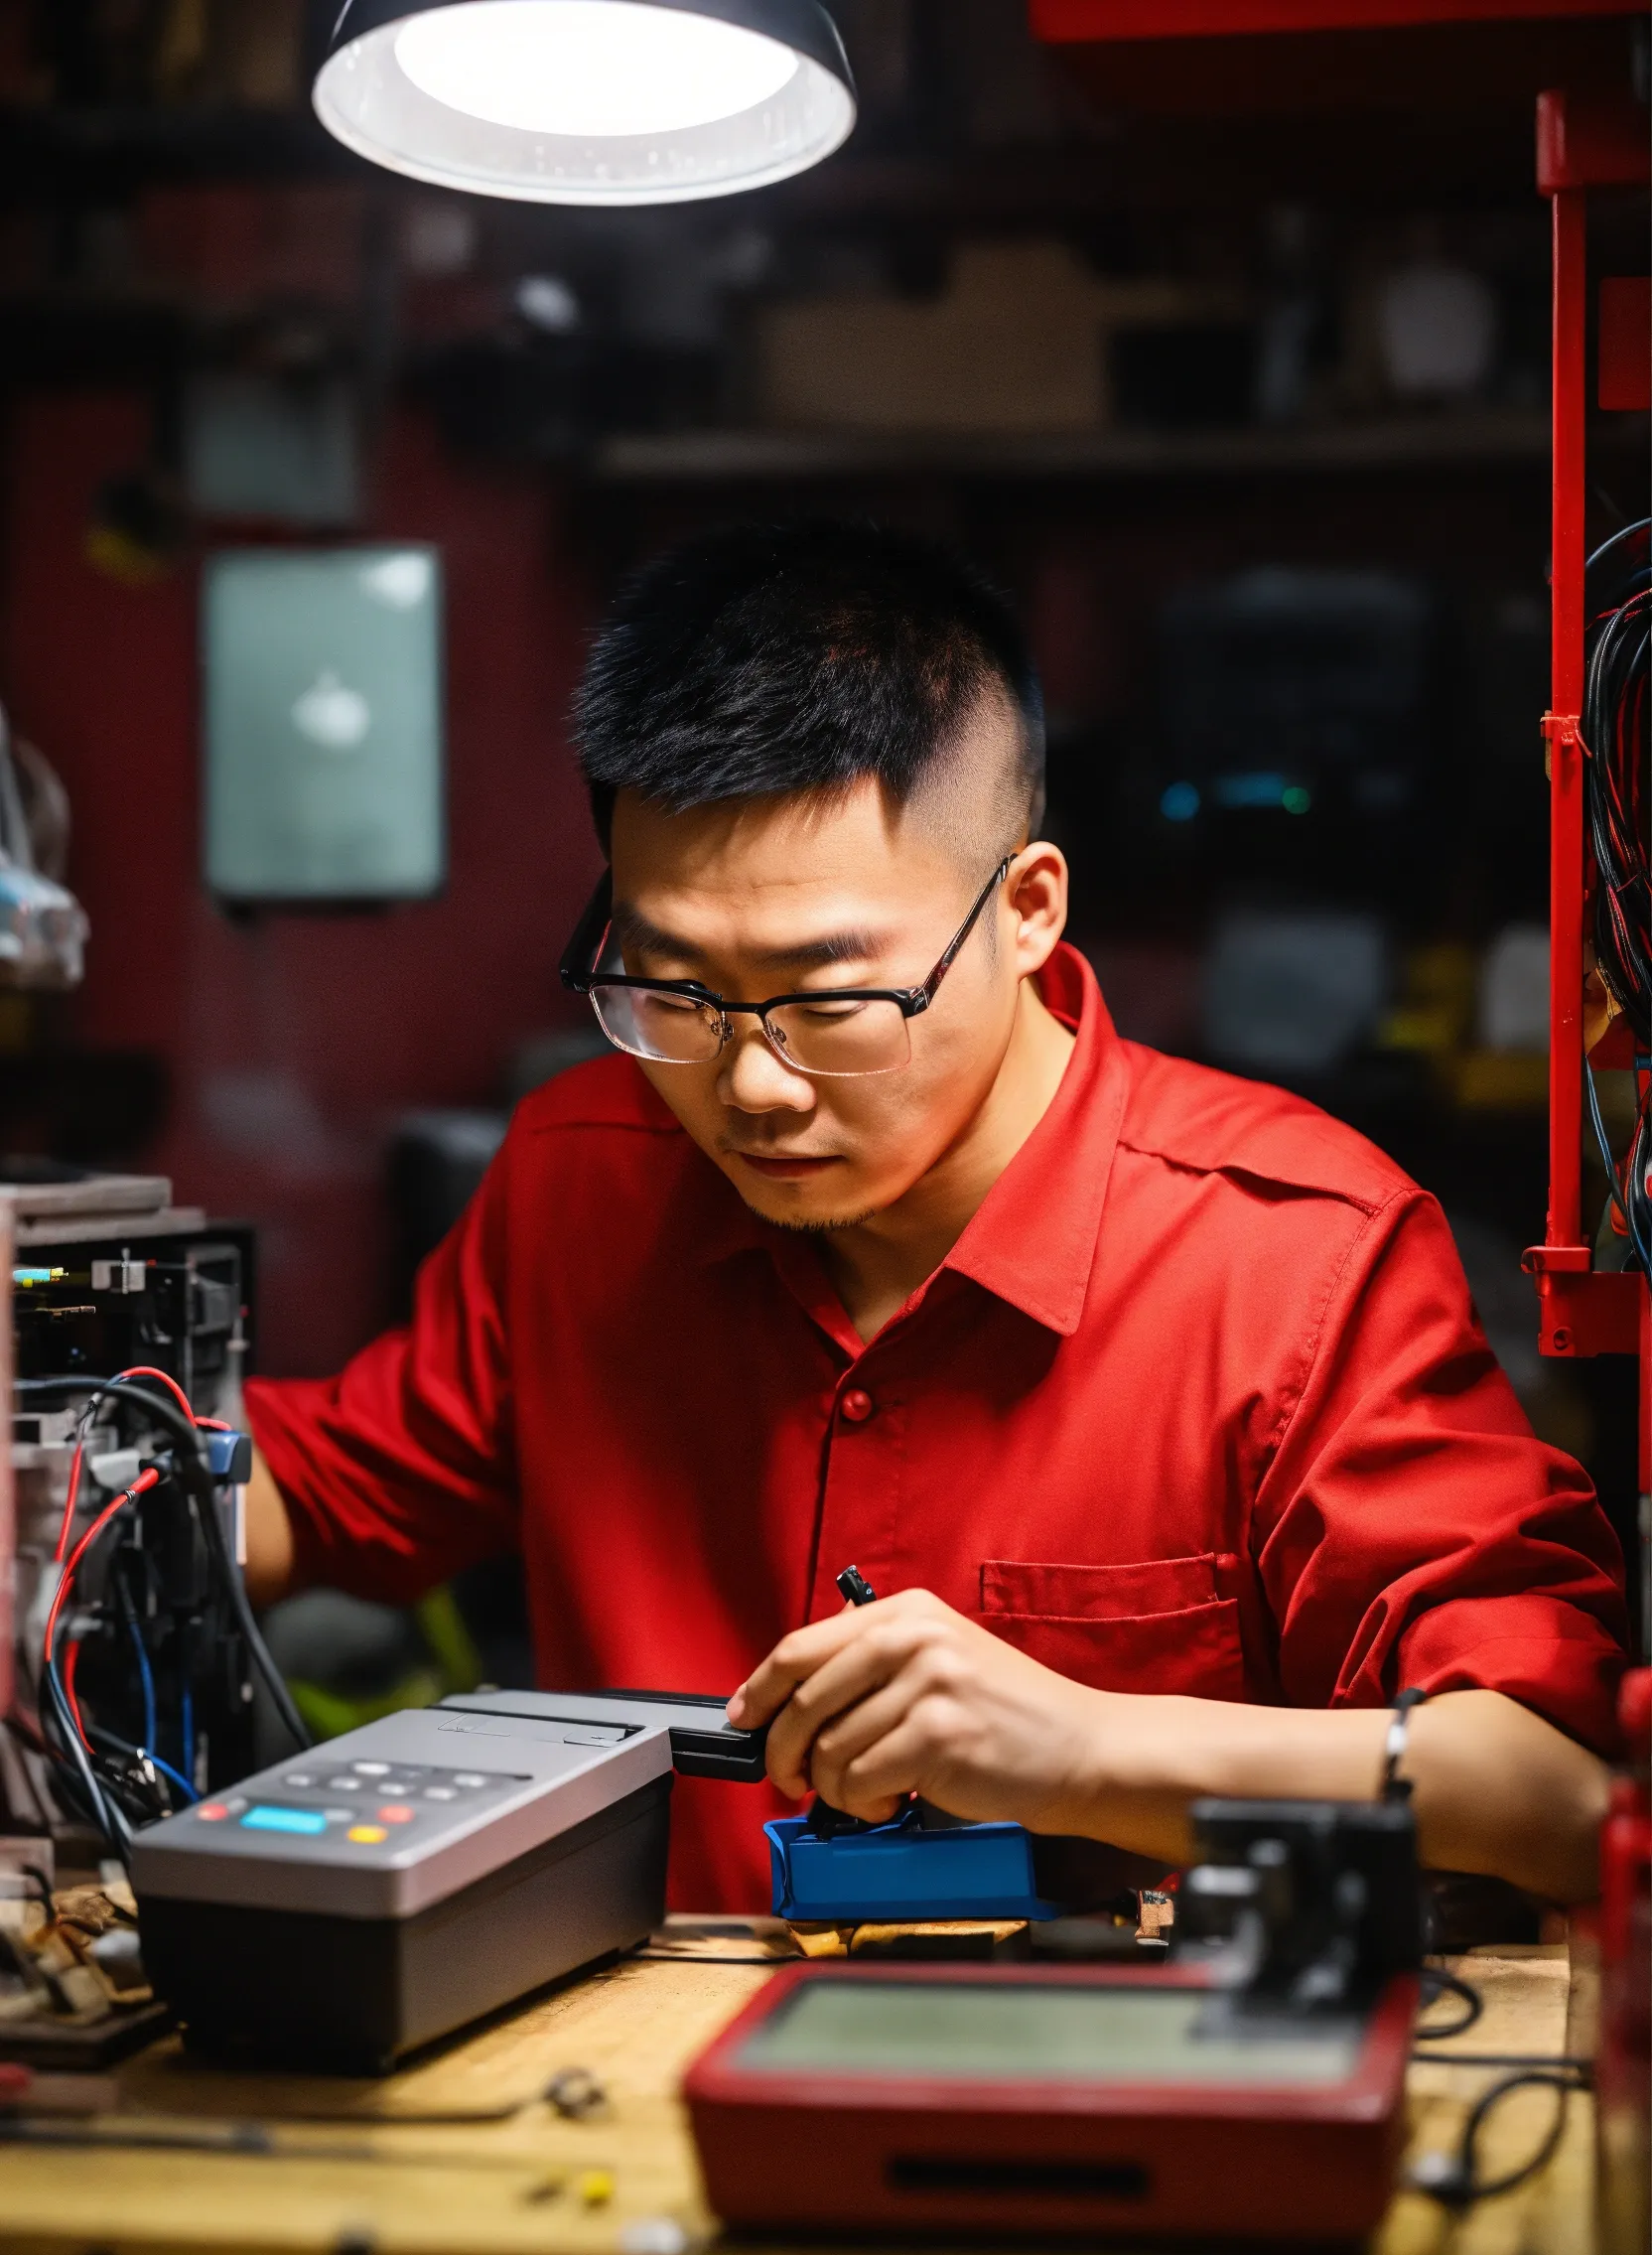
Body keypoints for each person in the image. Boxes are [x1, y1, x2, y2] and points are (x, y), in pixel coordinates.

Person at [242, 520, 1628, 1913]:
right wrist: (43, 1496)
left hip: (1124, 2084)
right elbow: (311, 1492)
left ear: (1026, 909)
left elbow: (1552, 1791)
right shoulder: (587, 1178)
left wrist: (1082, 1750)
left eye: (832, 1001)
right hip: (631, 2079)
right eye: (674, 989)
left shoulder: (1293, 1255)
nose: (753, 1086)